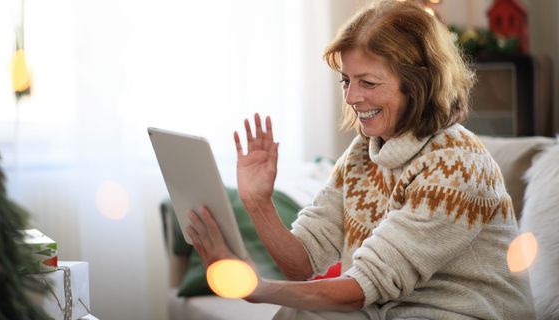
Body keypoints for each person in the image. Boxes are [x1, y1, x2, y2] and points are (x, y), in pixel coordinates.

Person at [185, 1, 536, 319]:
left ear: (417, 85)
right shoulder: (363, 153)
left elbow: (363, 286)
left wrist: (253, 287)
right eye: (346, 81)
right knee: (298, 315)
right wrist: (258, 201)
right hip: (392, 311)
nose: (352, 97)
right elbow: (302, 264)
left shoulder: (458, 162)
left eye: (367, 82)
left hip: (460, 314)